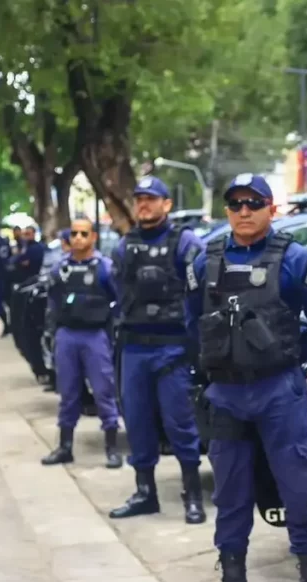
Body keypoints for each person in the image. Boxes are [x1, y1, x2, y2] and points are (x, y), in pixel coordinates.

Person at [185, 173, 307, 582]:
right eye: (235, 203)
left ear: (271, 208)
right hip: (226, 393)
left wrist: (291, 355)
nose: (244, 210)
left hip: (277, 391)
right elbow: (191, 320)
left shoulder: (294, 261)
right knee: (230, 492)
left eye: (254, 202)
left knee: (297, 490)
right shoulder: (205, 262)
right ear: (226, 210)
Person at [109, 176, 206, 524]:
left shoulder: (186, 242)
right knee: (137, 423)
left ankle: (192, 495)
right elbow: (117, 294)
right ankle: (145, 493)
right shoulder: (124, 246)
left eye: (152, 199)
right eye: (139, 199)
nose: (144, 204)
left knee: (180, 424)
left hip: (172, 350)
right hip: (134, 348)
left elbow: (201, 294)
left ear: (167, 204)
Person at [41, 218, 122, 469]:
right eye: (74, 234)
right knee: (68, 393)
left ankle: (111, 448)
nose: (78, 238)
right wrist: (54, 332)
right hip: (68, 335)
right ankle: (65, 446)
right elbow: (52, 301)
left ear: (93, 237)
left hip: (95, 335)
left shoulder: (104, 267)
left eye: (83, 234)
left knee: (103, 391)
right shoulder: (60, 269)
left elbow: (119, 298)